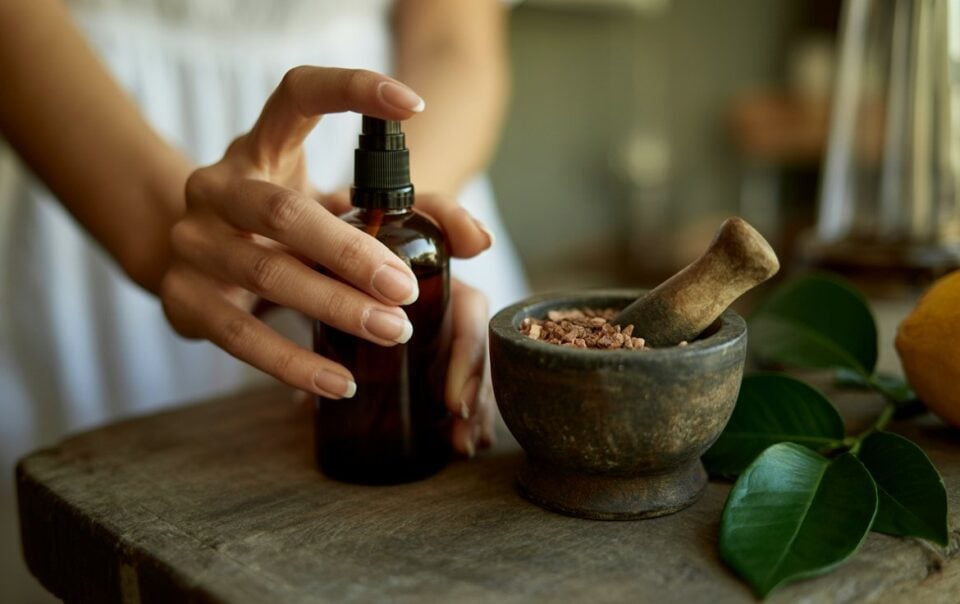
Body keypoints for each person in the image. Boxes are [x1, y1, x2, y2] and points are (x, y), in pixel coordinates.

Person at [0, 0, 529, 601]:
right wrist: (164, 225)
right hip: (97, 157)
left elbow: (453, 40)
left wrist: (372, 255)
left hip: (420, 158)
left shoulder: (394, 229)